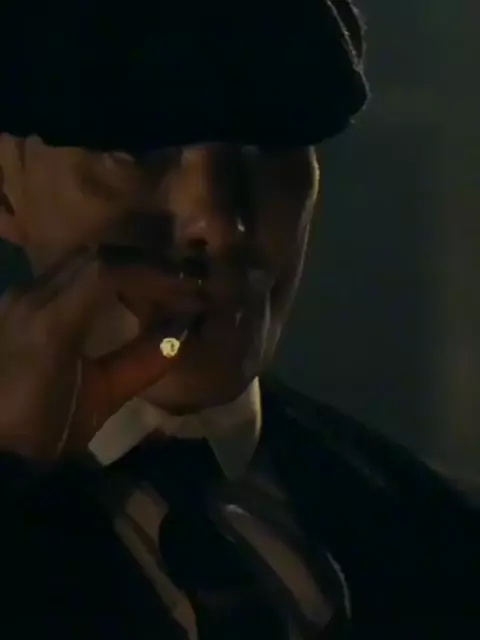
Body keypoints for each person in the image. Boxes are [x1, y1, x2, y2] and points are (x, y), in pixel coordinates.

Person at [0, 1, 477, 638]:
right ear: (4, 188)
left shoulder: (440, 534)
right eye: (133, 151)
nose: (221, 224)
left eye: (271, 146)